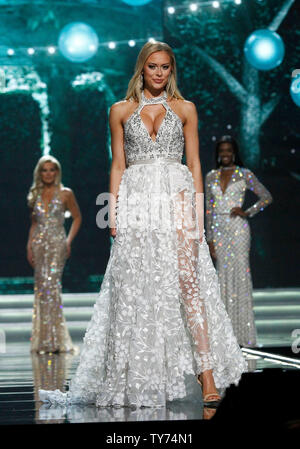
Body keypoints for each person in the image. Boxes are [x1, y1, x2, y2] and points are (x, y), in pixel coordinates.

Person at [39, 42, 247, 409]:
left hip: (178, 198)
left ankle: (207, 373)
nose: (159, 73)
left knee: (189, 281)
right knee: (137, 284)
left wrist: (199, 213)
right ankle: (141, 373)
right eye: (153, 66)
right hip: (137, 203)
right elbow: (118, 164)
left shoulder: (185, 109)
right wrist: (113, 212)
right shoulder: (119, 110)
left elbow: (196, 163)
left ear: (172, 70)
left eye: (166, 67)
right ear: (142, 68)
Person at [205, 136, 273, 347]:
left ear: (234, 153)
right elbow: (208, 210)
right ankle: (224, 337)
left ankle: (243, 334)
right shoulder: (211, 177)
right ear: (218, 154)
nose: (225, 154)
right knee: (222, 277)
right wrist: (210, 240)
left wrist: (247, 212)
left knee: (240, 277)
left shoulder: (245, 174)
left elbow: (266, 197)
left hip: (238, 229)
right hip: (219, 230)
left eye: (228, 151)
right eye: (221, 151)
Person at [27, 155, 82, 353]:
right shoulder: (36, 194)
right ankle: (44, 340)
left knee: (52, 287)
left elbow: (77, 217)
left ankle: (56, 340)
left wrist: (68, 241)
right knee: (42, 289)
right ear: (40, 173)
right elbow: (34, 223)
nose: (48, 173)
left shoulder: (66, 193)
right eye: (45, 170)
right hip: (39, 245)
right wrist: (29, 246)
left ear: (57, 172)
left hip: (58, 244)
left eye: (52, 170)